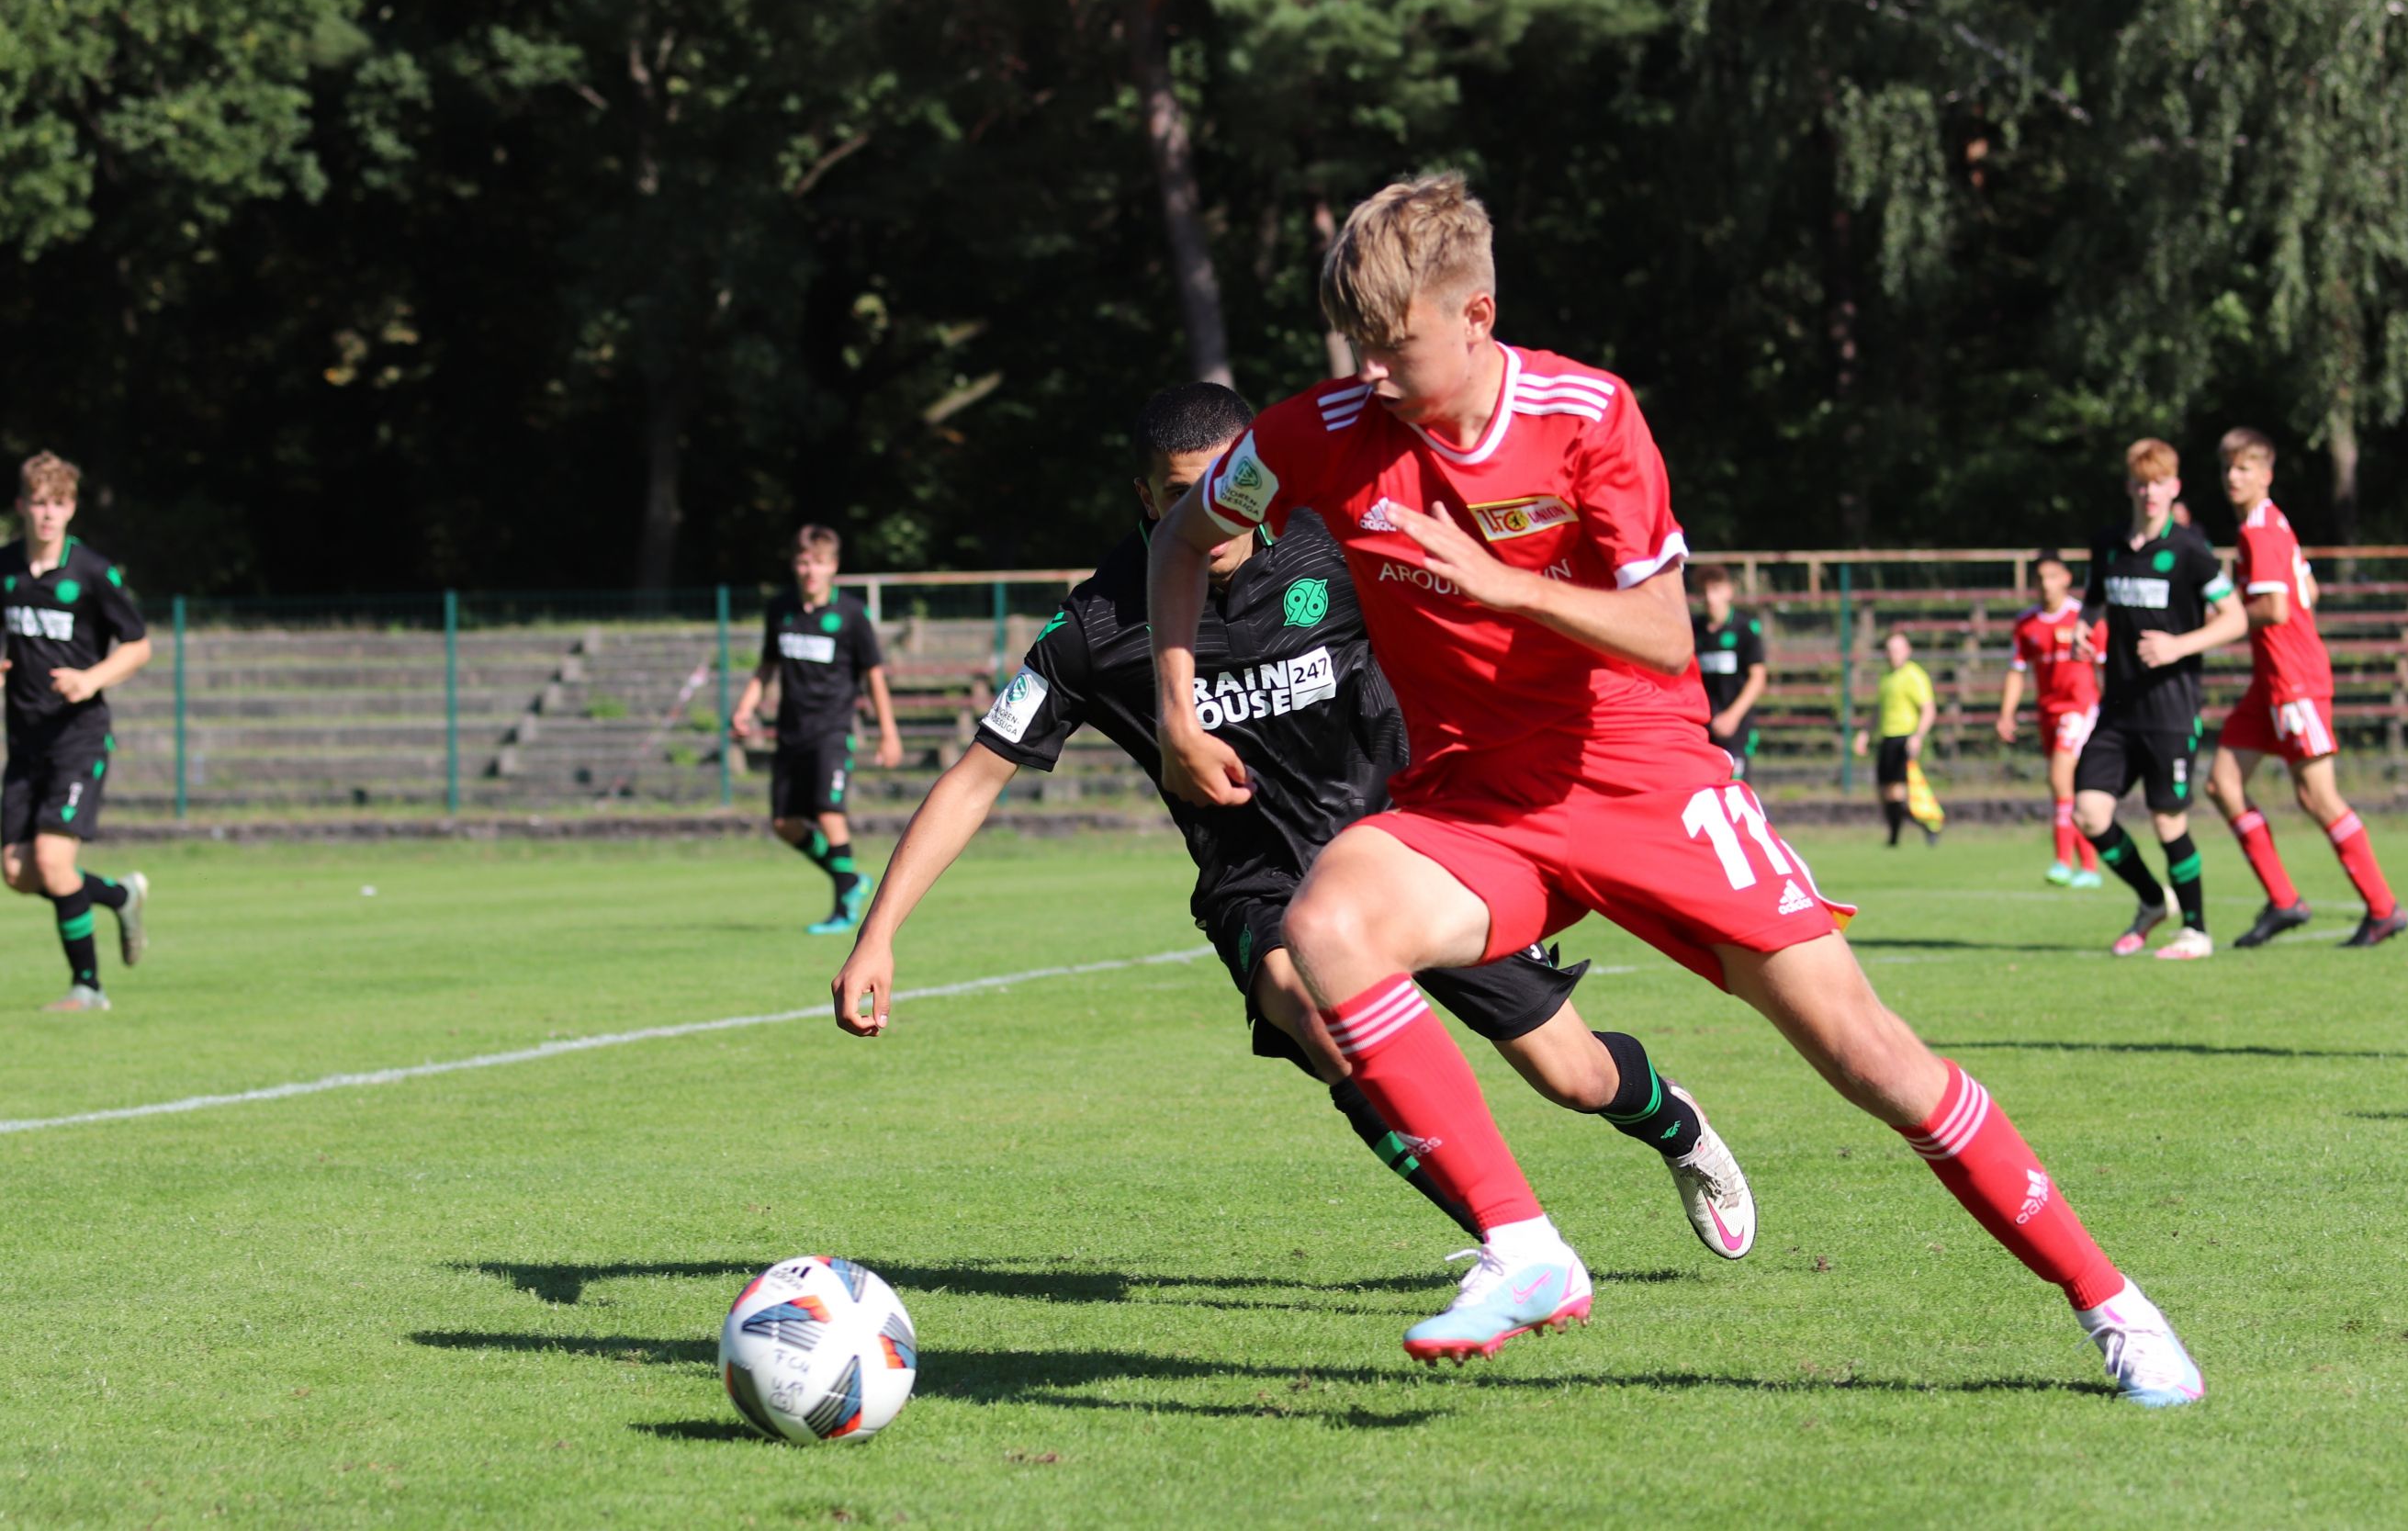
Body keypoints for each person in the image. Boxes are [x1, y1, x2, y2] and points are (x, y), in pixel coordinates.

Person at [1149, 173, 2202, 1402]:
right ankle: (1526, 1247)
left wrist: (1502, 588)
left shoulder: (1588, 414)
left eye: (1397, 346)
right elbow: (1181, 538)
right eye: (1358, 348)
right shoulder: (1315, 431)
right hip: (1481, 795)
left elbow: (1660, 633)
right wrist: (1175, 704)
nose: (1371, 374)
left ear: (1478, 314)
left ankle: (2110, 1302)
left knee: (1872, 1057)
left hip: (1647, 777)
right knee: (1326, 924)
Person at [829, 382, 1756, 1258]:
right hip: (1259, 880)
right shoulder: (1097, 627)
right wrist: (878, 936)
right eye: (1185, 496)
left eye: (1228, 489)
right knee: (1326, 1026)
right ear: (1144, 495)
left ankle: (1676, 1125)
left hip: (1416, 849)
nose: (1214, 519)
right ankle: (1517, 1243)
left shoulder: (1335, 550)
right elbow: (974, 778)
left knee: (1574, 1077)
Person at [2206, 429, 2408, 949]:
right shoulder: (2269, 524)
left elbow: (2276, 608)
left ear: (2267, 474)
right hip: (2268, 681)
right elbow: (2308, 590)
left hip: (2293, 679)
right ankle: (2283, 900)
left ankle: (2384, 909)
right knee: (2222, 785)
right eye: (2229, 467)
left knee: (2318, 797)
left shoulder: (2259, 530)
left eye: (2245, 468)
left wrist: (2223, 616)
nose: (2234, 476)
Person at [2074, 438, 2248, 962]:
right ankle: (2153, 901)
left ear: (2174, 488)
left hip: (2171, 709)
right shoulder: (2107, 545)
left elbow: (2236, 618)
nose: (2150, 492)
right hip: (2118, 709)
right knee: (2089, 813)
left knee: (2168, 819)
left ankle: (2196, 930)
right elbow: (2092, 604)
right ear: (2130, 486)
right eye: (2142, 483)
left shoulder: (2191, 550)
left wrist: (2179, 645)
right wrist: (2085, 630)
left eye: (2160, 483)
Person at [1, 452, 151, 1011]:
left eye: (58, 504)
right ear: (21, 506)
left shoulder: (91, 572)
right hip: (24, 739)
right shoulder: (5, 569)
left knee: (54, 861)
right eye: (38, 503)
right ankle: (119, 894)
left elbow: (138, 645)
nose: (47, 515)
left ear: (71, 508)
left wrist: (91, 680)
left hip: (79, 737)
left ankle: (88, 988)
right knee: (17, 872)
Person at [730, 527, 903, 934]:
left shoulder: (851, 615)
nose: (811, 570)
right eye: (805, 561)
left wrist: (888, 731)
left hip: (832, 730)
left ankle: (844, 909)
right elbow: (768, 666)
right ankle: (849, 879)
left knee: (828, 811)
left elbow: (873, 675)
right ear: (795, 564)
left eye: (820, 562)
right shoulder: (781, 610)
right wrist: (744, 707)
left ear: (833, 566)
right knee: (784, 825)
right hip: (790, 732)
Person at [1996, 549, 2104, 887]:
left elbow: (2104, 664)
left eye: (2052, 577)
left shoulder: (2082, 617)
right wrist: (2006, 713)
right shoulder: (2027, 623)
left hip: (2080, 707)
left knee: (2060, 778)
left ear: (2066, 579)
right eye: (2040, 579)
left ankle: (2062, 861)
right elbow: (2017, 671)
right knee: (2068, 787)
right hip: (2047, 712)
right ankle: (2089, 867)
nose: (2046, 585)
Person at [1852, 631, 1939, 845]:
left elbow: (1928, 709)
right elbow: (1879, 710)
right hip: (1886, 738)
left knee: (1896, 793)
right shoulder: (1886, 677)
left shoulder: (1914, 676)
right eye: (1890, 650)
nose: (1893, 655)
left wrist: (1918, 736)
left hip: (1905, 738)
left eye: (1898, 650)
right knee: (1883, 793)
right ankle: (1897, 834)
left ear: (1907, 651)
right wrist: (1865, 733)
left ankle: (1925, 825)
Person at [1690, 564, 1767, 780]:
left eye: (1715, 590)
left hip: (1735, 728)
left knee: (1735, 790)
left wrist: (1732, 716)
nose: (1709, 597)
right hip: (1702, 727)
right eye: (1704, 592)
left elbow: (1758, 678)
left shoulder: (1744, 629)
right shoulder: (1692, 630)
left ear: (1728, 591)